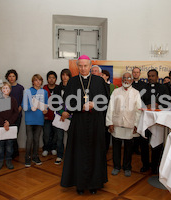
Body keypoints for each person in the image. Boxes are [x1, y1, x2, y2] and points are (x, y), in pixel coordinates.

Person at [60, 55, 109, 195]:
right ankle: (79, 184)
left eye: (85, 66)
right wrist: (80, 106)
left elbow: (106, 100)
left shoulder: (99, 81)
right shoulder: (73, 81)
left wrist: (95, 104)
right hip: (79, 122)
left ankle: (95, 184)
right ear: (77, 66)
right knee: (79, 152)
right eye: (80, 66)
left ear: (90, 65)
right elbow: (68, 102)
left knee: (95, 152)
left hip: (95, 121)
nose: (82, 68)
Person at [106, 72, 141, 177]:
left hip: (129, 124)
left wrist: (136, 124)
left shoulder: (136, 93)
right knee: (116, 148)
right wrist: (110, 123)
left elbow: (138, 110)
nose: (126, 80)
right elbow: (110, 108)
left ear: (131, 80)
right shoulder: (116, 92)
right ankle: (116, 166)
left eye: (128, 78)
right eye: (124, 78)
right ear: (122, 80)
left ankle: (127, 167)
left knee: (128, 148)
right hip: (117, 123)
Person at [140, 69, 169, 174]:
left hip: (158, 121)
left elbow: (168, 103)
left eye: (153, 76)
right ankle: (145, 164)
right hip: (146, 120)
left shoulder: (163, 88)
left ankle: (155, 166)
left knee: (157, 144)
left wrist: (159, 105)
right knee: (144, 143)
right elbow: (138, 101)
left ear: (157, 77)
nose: (151, 78)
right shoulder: (144, 88)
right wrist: (145, 105)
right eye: (149, 76)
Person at [23, 74, 48, 167]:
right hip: (29, 119)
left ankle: (35, 156)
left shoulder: (44, 92)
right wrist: (31, 107)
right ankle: (27, 157)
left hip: (39, 119)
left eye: (40, 80)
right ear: (33, 82)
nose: (38, 82)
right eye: (36, 80)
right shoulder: (28, 91)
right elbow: (23, 105)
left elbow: (45, 104)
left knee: (36, 139)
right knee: (29, 139)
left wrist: (46, 110)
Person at [0, 82, 19, 170]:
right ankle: (0, 161)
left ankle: (8, 160)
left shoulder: (13, 100)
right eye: (4, 88)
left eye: (7, 88)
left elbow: (16, 112)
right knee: (0, 145)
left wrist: (9, 122)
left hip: (10, 126)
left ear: (10, 90)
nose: (5, 90)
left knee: (9, 145)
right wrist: (3, 123)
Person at [51, 69, 72, 165]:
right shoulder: (57, 88)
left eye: (67, 75)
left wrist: (67, 113)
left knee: (71, 138)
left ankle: (69, 156)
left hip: (70, 117)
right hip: (59, 116)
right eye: (63, 75)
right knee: (59, 138)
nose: (65, 77)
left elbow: (75, 103)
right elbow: (54, 103)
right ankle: (59, 155)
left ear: (69, 76)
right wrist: (62, 112)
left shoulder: (74, 88)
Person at [5, 69, 24, 159]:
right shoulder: (4, 87)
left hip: (17, 114)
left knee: (14, 133)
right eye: (10, 76)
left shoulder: (20, 88)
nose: (11, 78)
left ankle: (15, 152)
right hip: (7, 115)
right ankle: (9, 152)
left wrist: (19, 109)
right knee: (7, 134)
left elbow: (22, 100)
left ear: (16, 77)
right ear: (7, 77)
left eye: (13, 76)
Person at [101, 69, 118, 153]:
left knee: (107, 131)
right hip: (100, 112)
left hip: (109, 111)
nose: (102, 76)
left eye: (103, 75)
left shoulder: (112, 86)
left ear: (107, 76)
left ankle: (106, 148)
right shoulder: (98, 85)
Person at [42, 71, 58, 157]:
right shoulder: (43, 89)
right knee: (46, 134)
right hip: (46, 116)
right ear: (47, 79)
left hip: (56, 116)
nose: (51, 79)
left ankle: (53, 148)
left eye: (53, 77)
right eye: (49, 77)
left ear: (55, 79)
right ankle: (45, 148)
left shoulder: (58, 88)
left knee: (55, 134)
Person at [131, 67, 146, 155]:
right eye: (134, 72)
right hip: (130, 110)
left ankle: (136, 148)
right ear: (132, 73)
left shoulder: (144, 84)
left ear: (140, 74)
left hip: (140, 110)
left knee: (138, 128)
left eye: (137, 72)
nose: (136, 74)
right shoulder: (129, 83)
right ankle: (130, 148)